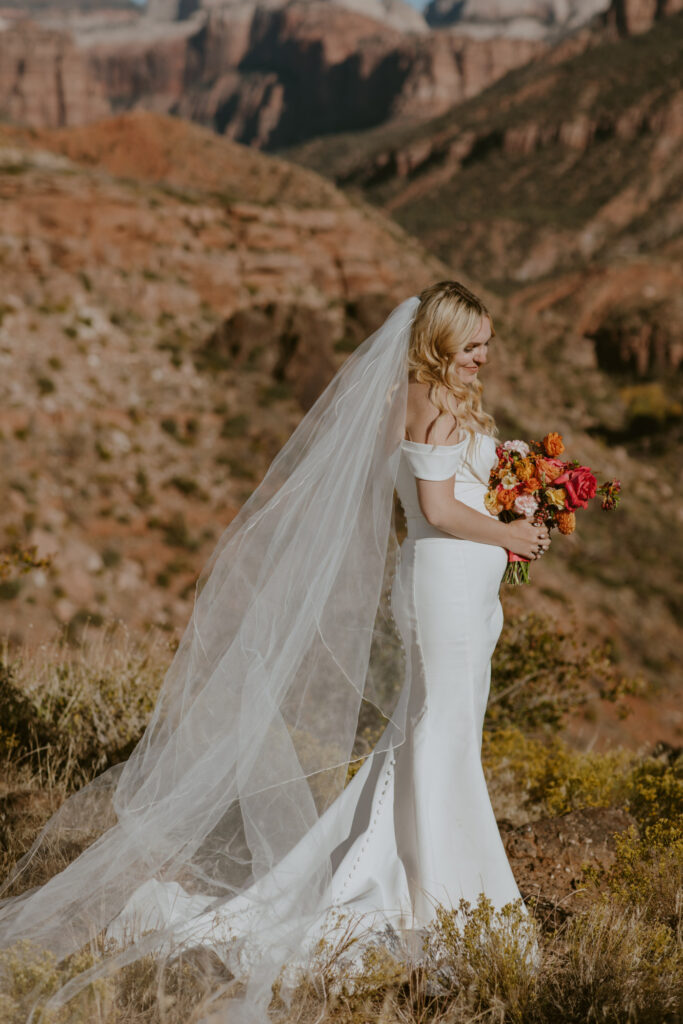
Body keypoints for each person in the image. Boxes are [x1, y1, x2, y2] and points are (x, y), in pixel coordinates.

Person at [0, 281, 549, 1022]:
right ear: (441, 341)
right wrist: (509, 533)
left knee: (432, 734)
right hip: (443, 587)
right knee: (438, 736)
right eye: (473, 343)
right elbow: (436, 509)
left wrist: (517, 496)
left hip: (456, 591)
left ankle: (418, 877)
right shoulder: (436, 402)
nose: (484, 355)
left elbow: (442, 492)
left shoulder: (416, 394)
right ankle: (446, 891)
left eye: (487, 341)